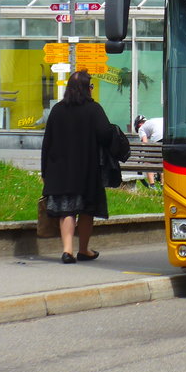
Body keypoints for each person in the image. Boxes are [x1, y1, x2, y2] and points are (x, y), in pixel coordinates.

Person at [40, 70, 115, 264]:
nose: (92, 89)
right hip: (87, 170)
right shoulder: (93, 109)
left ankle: (67, 250)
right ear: (85, 88)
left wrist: (45, 171)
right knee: (86, 209)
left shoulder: (57, 110)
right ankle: (83, 249)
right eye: (90, 86)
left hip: (60, 170)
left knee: (67, 209)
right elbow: (106, 134)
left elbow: (47, 143)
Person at [140, 115, 164, 187]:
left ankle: (152, 186)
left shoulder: (141, 128)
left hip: (158, 138)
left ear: (139, 124)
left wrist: (147, 154)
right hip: (170, 136)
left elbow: (145, 143)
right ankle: (163, 185)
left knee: (148, 161)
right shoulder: (154, 120)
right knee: (163, 162)